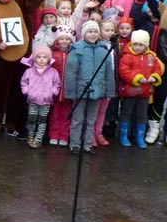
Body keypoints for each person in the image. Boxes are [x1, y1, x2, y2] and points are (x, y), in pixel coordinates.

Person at [64, 21, 117, 154]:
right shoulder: (77, 49)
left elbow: (109, 72)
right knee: (78, 118)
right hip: (81, 90)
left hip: (97, 90)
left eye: (95, 32)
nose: (93, 34)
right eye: (90, 32)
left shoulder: (103, 50)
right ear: (84, 34)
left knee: (91, 119)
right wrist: (71, 93)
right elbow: (71, 73)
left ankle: (87, 144)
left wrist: (109, 91)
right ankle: (75, 143)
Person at [118, 30, 164, 148]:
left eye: (141, 45)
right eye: (135, 44)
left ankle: (139, 137)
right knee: (126, 112)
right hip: (130, 91)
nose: (137, 47)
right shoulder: (127, 56)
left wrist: (154, 77)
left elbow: (157, 68)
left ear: (146, 45)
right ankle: (124, 135)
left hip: (145, 91)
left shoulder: (151, 56)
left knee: (142, 114)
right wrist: (137, 78)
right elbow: (124, 71)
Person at [20, 45, 61, 148]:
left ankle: (38, 139)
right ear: (34, 58)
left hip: (46, 101)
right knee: (32, 119)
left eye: (44, 57)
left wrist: (52, 92)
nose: (42, 59)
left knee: (42, 121)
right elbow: (24, 82)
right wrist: (27, 91)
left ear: (48, 59)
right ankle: (31, 136)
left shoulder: (53, 72)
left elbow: (57, 84)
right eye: (39, 57)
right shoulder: (29, 71)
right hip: (33, 100)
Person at [48, 25, 74, 146]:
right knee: (55, 114)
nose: (64, 41)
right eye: (61, 38)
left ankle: (64, 136)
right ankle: (54, 135)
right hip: (55, 90)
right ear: (57, 40)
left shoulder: (73, 53)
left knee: (66, 114)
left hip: (68, 90)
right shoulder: (53, 53)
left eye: (67, 39)